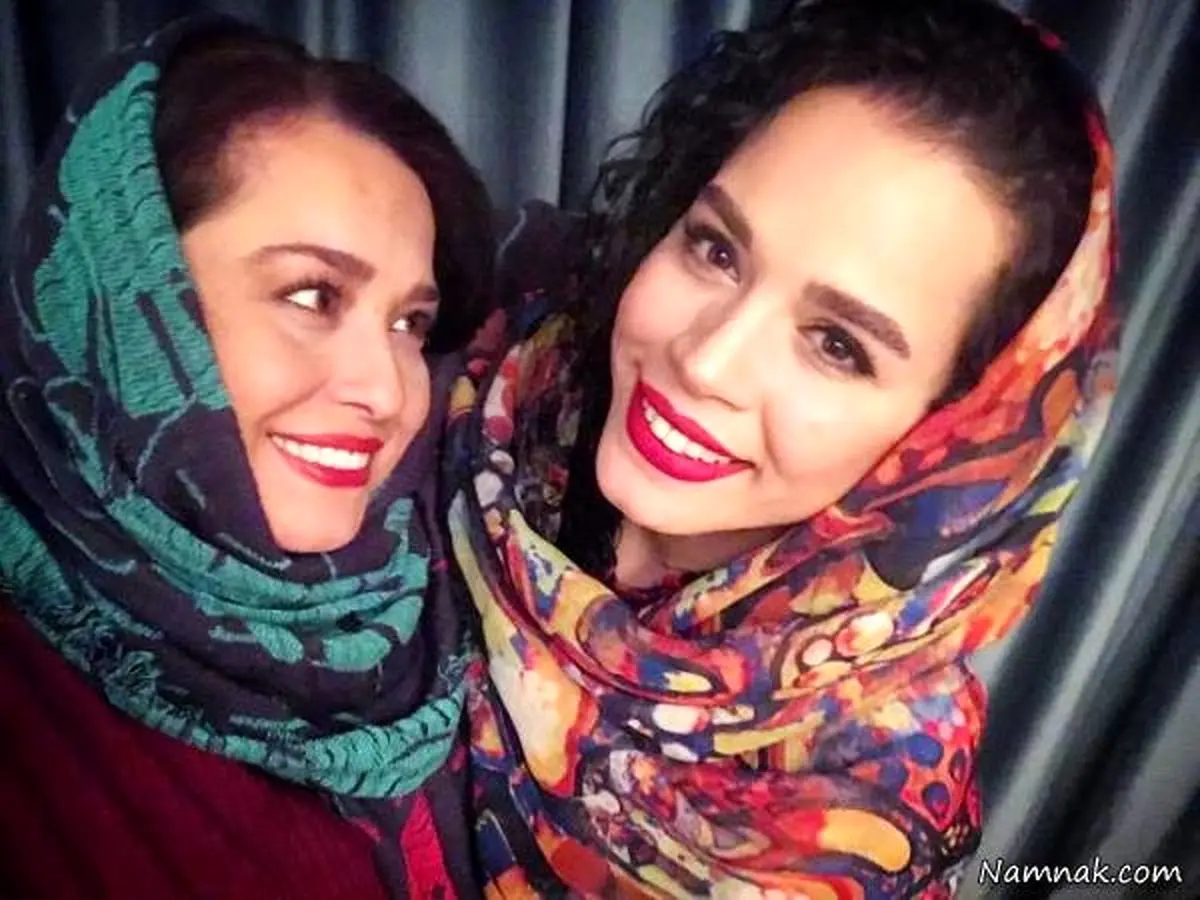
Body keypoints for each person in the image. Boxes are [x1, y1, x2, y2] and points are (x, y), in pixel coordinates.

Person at [444, 0, 1119, 895]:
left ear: (950, 447)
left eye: (837, 345)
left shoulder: (861, 801)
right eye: (716, 250)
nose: (705, 360)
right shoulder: (494, 392)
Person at [0, 15, 493, 900]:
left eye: (408, 322)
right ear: (120, 290)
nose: (387, 391)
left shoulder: (432, 593)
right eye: (311, 295)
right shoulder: (29, 715)